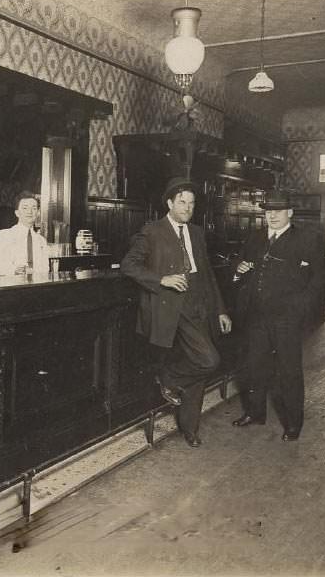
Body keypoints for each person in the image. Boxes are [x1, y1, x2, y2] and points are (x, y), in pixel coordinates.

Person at [121, 177, 232, 448]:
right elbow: (128, 265)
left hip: (199, 303)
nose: (187, 207)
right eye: (182, 201)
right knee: (208, 359)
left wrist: (220, 310)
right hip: (171, 304)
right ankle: (168, 377)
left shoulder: (196, 232)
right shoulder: (152, 230)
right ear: (170, 203)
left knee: (200, 364)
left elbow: (206, 275)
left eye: (191, 202)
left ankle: (190, 427)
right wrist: (162, 279)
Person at [231, 190, 324, 442]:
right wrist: (238, 270)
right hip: (257, 316)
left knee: (288, 371)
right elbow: (241, 265)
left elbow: (316, 280)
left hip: (286, 318)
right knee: (254, 366)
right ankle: (255, 412)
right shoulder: (254, 238)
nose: (272, 215)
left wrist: (300, 309)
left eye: (278, 211)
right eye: (268, 211)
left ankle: (293, 424)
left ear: (290, 213)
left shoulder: (305, 239)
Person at [0, 191, 49, 276]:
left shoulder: (41, 241)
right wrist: (14, 270)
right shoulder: (3, 235)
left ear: (38, 213)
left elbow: (45, 269)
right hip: (11, 286)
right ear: (17, 213)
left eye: (34, 208)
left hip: (36, 287)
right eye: (25, 208)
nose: (30, 211)